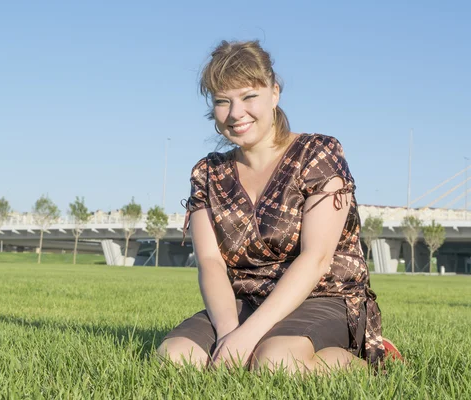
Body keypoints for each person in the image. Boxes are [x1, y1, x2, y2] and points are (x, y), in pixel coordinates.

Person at [157, 40, 401, 374]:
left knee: (275, 362)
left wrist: (249, 337)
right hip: (245, 300)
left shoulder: (317, 153)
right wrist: (231, 333)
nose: (236, 113)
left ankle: (373, 361)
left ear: (275, 93)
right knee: (174, 357)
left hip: (322, 297)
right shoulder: (208, 172)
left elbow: (315, 259)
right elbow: (211, 262)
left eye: (248, 97)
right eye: (222, 101)